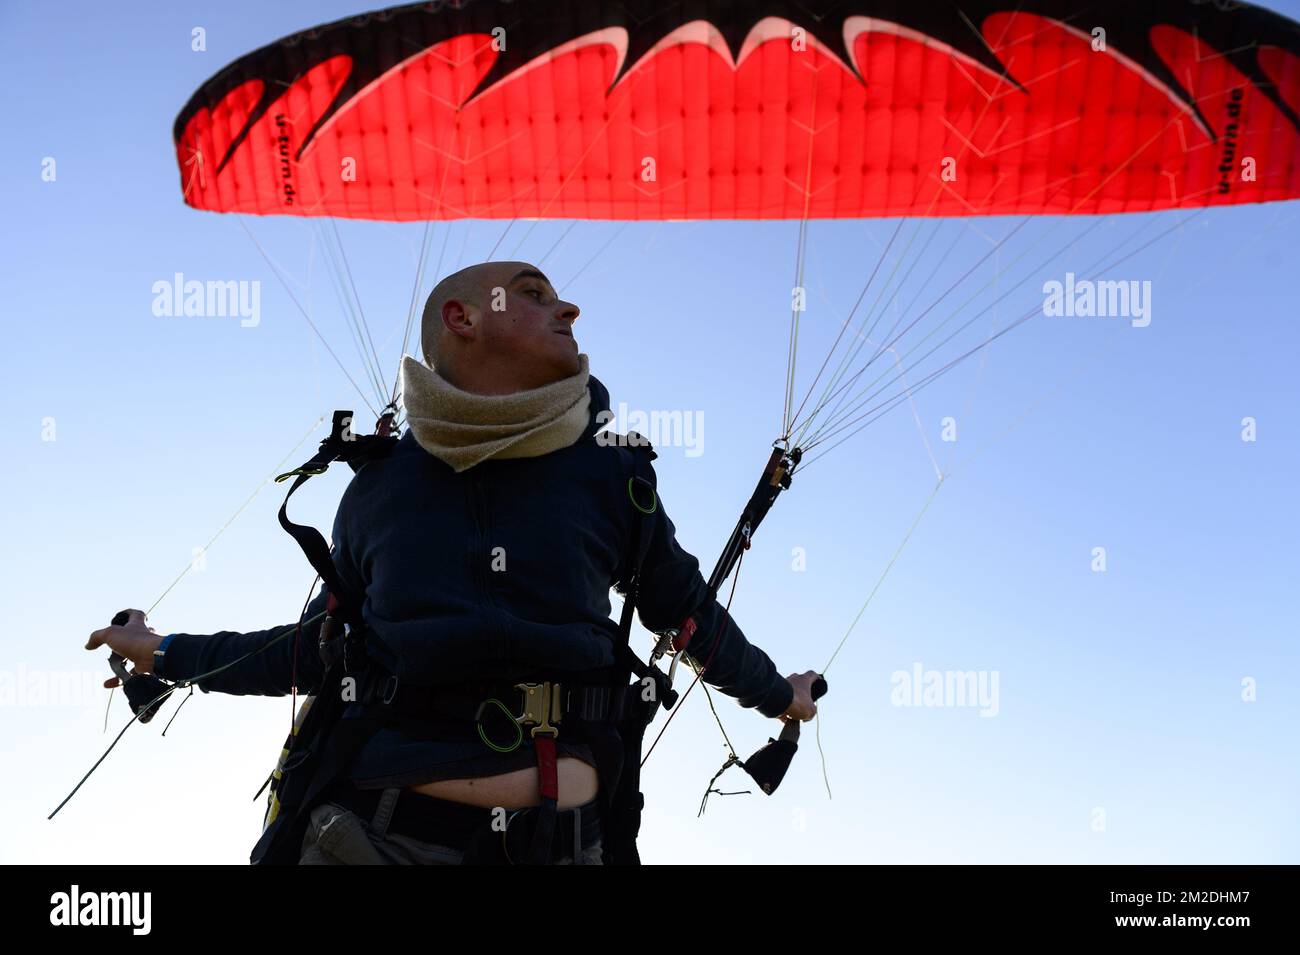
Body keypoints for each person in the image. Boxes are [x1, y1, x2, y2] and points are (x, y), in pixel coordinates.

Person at [86, 261, 822, 864]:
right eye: (535, 294)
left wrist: (778, 696)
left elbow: (689, 619)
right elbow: (312, 654)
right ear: (461, 319)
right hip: (381, 840)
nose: (569, 310)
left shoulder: (609, 475)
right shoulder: (379, 489)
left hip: (570, 848)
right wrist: (164, 653)